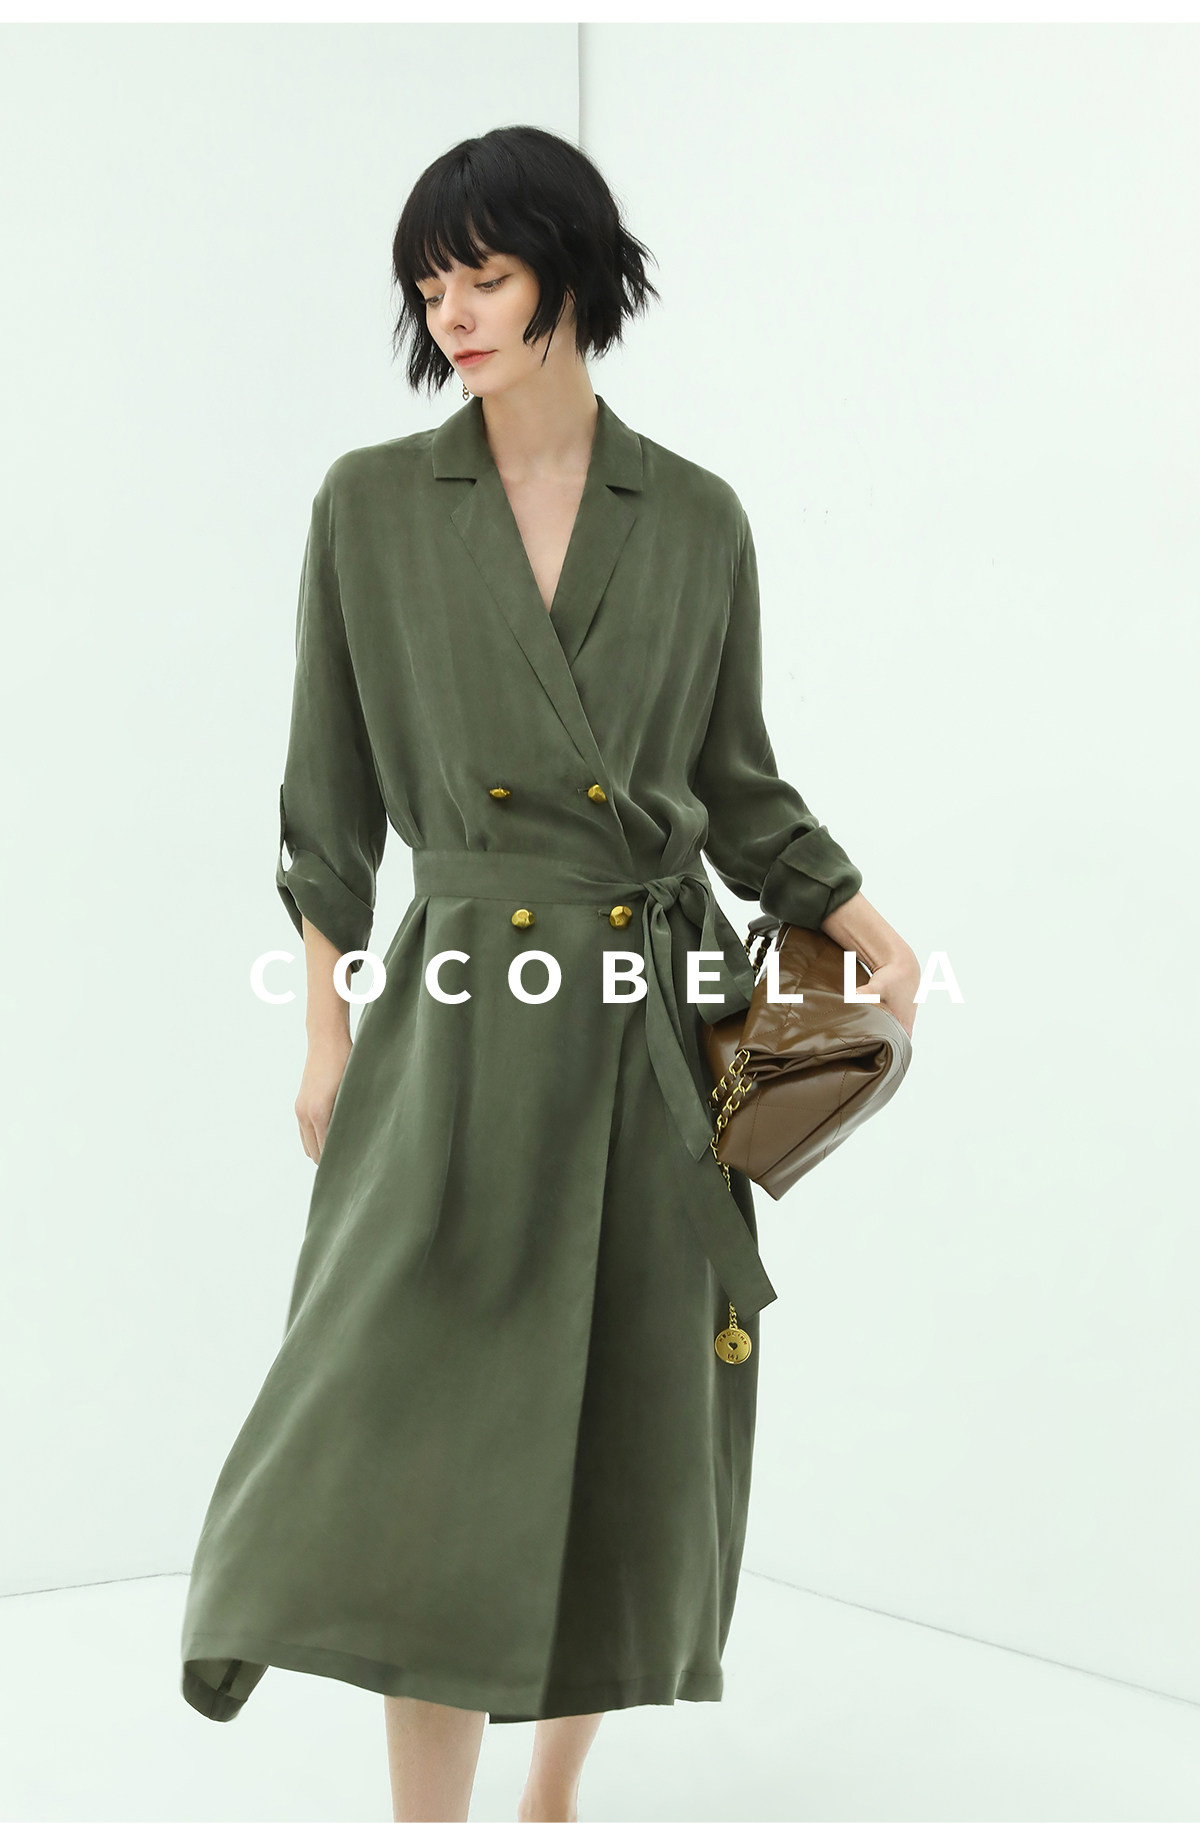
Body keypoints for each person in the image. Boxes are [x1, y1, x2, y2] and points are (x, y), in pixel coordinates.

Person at [179, 124, 921, 1824]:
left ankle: (552, 1797)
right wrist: (324, 1033)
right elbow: (327, 805)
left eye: (485, 276)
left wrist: (857, 909)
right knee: (420, 1442)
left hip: (651, 1024)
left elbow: (735, 783)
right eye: (428, 286)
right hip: (458, 1023)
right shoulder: (372, 505)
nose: (451, 314)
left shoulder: (698, 517)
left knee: (625, 1423)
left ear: (571, 275)